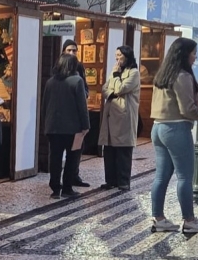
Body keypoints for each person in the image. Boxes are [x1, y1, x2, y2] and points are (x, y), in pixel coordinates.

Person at [148, 38, 198, 234]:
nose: (195, 57)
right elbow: (187, 109)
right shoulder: (182, 76)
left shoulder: (162, 74)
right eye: (193, 53)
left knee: (161, 176)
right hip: (176, 128)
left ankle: (158, 218)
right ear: (184, 54)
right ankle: (189, 220)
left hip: (158, 127)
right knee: (185, 176)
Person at [42, 54, 89, 200]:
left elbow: (45, 105)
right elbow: (82, 106)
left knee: (55, 157)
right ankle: (68, 188)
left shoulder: (50, 82)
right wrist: (86, 125)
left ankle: (55, 188)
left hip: (53, 127)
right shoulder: (77, 81)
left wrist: (46, 123)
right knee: (72, 157)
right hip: (72, 128)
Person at [99, 46, 140, 192]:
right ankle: (110, 180)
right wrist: (112, 92)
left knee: (123, 150)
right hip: (111, 115)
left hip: (124, 116)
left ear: (127, 57)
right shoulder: (114, 71)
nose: (117, 59)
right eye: (116, 55)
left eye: (120, 56)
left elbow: (121, 89)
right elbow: (104, 88)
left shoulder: (134, 73)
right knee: (109, 149)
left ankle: (123, 181)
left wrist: (116, 80)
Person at [61, 39, 92, 188]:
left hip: (77, 114)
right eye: (69, 50)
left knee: (77, 148)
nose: (72, 53)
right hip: (64, 114)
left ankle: (74, 175)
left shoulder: (79, 67)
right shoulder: (60, 67)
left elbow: (85, 86)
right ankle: (62, 178)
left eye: (74, 50)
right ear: (63, 52)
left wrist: (84, 93)